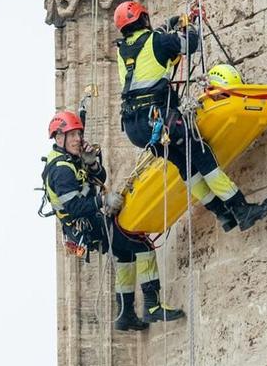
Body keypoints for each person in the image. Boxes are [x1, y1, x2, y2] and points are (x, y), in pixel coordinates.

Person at [112, 0, 267, 232]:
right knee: (202, 156)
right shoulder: (156, 41)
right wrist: (190, 25)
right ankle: (241, 209)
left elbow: (152, 42)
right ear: (144, 19)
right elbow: (190, 44)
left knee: (185, 166)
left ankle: (222, 215)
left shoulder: (123, 51)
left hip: (136, 128)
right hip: (159, 118)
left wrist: (170, 24)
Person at [43, 109, 182, 330]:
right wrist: (103, 200)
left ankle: (125, 314)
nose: (79, 139)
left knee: (125, 253)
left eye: (79, 134)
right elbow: (75, 207)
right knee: (142, 243)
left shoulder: (71, 158)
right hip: (88, 224)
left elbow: (100, 179)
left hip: (92, 222)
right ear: (59, 138)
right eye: (72, 135)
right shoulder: (61, 170)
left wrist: (92, 164)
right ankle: (152, 306)